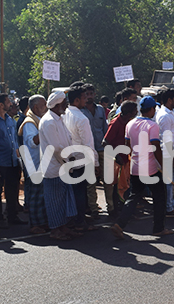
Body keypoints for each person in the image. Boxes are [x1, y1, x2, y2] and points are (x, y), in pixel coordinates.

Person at [110, 96, 174, 238]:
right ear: (151, 109)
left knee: (133, 196)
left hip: (135, 167)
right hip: (150, 168)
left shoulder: (130, 124)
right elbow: (156, 148)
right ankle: (159, 228)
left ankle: (120, 224)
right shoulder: (152, 125)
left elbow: (128, 146)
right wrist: (163, 165)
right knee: (159, 197)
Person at [38, 91, 81, 241]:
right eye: (64, 103)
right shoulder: (49, 121)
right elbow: (56, 148)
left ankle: (64, 227)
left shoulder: (59, 119)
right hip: (55, 167)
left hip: (64, 165)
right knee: (55, 201)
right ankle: (55, 230)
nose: (67, 105)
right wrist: (66, 164)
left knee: (64, 199)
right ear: (57, 104)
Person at [0, 93, 25, 229]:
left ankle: (12, 215)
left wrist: (18, 159)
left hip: (12, 161)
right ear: (1, 105)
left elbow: (15, 142)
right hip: (0, 162)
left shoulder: (11, 120)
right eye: (8, 102)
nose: (11, 104)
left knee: (12, 189)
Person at [62, 83, 99, 231]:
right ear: (77, 100)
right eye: (84, 97)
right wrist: (95, 164)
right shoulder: (81, 118)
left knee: (74, 190)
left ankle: (76, 218)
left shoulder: (64, 114)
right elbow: (88, 144)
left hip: (68, 158)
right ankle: (80, 221)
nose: (86, 100)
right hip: (81, 160)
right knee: (80, 191)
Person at [80, 84, 111, 218]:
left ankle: (111, 206)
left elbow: (105, 129)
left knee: (108, 180)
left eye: (91, 94)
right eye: (86, 94)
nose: (89, 97)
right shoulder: (79, 112)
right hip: (87, 151)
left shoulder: (100, 110)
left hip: (102, 148)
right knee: (90, 182)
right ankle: (93, 208)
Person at [18, 95, 48, 234]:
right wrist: (46, 130)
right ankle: (35, 224)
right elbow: (32, 142)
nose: (46, 107)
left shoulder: (38, 119)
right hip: (34, 164)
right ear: (35, 107)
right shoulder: (30, 122)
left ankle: (41, 222)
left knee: (41, 195)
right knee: (35, 196)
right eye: (44, 105)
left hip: (40, 163)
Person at [102, 101, 137, 217]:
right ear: (129, 112)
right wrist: (116, 156)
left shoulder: (130, 121)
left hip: (127, 159)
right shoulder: (116, 123)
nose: (137, 112)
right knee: (117, 187)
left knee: (126, 186)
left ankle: (125, 211)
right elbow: (105, 142)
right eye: (135, 110)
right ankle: (115, 212)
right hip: (117, 160)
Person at [155, 89, 174, 218]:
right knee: (169, 182)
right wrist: (172, 156)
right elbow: (165, 138)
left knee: (171, 182)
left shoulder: (170, 112)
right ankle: (169, 208)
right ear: (169, 100)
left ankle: (170, 204)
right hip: (169, 155)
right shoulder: (164, 115)